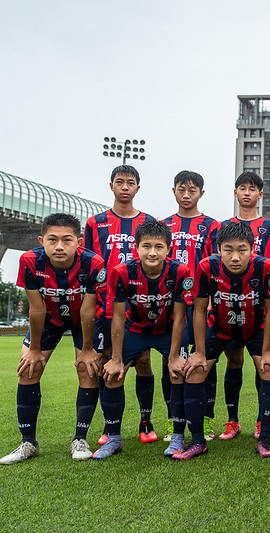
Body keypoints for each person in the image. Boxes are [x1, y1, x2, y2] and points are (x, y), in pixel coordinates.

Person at [0, 213, 106, 464]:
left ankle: (80, 439)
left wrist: (87, 349)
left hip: (84, 318)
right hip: (49, 317)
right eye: (52, 239)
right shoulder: (29, 260)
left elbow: (88, 310)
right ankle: (28, 442)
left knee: (87, 369)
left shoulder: (93, 263)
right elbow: (36, 309)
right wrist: (34, 349)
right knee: (29, 368)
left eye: (67, 240)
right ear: (41, 241)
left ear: (78, 242)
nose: (59, 246)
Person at [179, 222, 270, 459]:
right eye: (228, 250)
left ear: (252, 249)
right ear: (218, 249)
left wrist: (267, 350)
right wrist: (199, 352)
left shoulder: (266, 267)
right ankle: (197, 441)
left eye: (242, 250)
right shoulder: (206, 266)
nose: (235, 257)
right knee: (195, 371)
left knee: (269, 368)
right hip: (220, 328)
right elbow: (199, 309)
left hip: (256, 328)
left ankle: (264, 439)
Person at [96, 221, 192, 459]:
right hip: (135, 329)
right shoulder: (121, 272)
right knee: (113, 374)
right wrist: (116, 358)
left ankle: (178, 435)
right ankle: (113, 438)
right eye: (146, 246)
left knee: (178, 372)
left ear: (168, 248)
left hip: (167, 329)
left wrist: (173, 357)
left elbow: (180, 317)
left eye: (159, 247)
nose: (152, 252)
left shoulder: (180, 272)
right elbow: (118, 316)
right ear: (136, 248)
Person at [83, 165, 158, 444]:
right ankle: (109, 426)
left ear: (138, 187)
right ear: (111, 186)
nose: (125, 187)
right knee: (106, 361)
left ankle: (146, 422)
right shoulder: (95, 223)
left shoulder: (148, 221)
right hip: (106, 305)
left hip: (139, 305)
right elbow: (88, 265)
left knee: (143, 360)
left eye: (130, 182)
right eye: (119, 182)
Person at [223, 171, 270, 439]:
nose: (246, 193)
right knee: (234, 359)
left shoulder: (269, 227)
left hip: (259, 306)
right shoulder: (224, 226)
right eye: (242, 188)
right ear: (235, 192)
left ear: (260, 194)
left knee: (264, 362)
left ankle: (261, 422)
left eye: (252, 189)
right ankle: (232, 421)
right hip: (229, 304)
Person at [161, 171, 220, 442]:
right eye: (182, 189)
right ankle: (172, 420)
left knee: (204, 360)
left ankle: (206, 420)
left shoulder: (211, 226)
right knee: (170, 360)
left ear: (201, 193)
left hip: (201, 304)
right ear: (174, 191)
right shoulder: (163, 225)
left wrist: (211, 302)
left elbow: (217, 264)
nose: (186, 195)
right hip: (171, 304)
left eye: (192, 190)